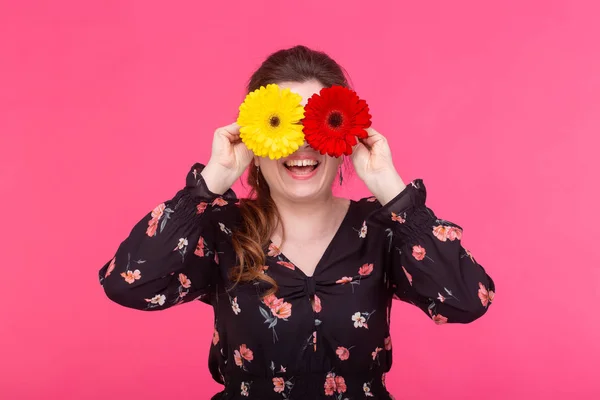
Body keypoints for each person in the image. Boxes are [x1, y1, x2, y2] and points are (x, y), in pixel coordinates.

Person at [98, 45, 495, 400]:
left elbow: (466, 301)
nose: (301, 144)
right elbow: (128, 283)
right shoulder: (220, 229)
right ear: (254, 137)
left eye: (317, 124)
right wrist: (208, 185)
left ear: (345, 137)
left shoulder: (382, 229)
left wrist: (394, 192)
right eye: (281, 125)